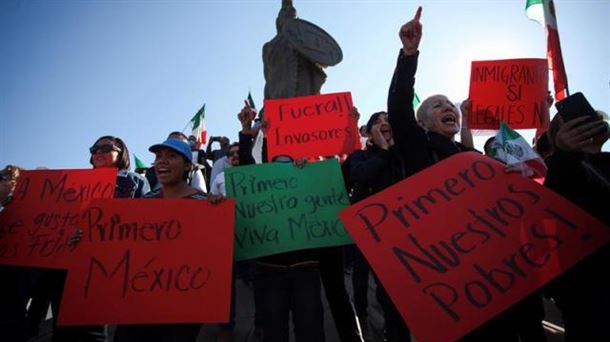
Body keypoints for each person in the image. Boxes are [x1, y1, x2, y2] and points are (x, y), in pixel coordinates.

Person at [50, 136, 150, 342]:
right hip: (73, 259)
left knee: (95, 327)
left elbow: (147, 216)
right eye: (94, 149)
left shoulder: (135, 181)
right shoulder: (75, 184)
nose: (98, 152)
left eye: (105, 147)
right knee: (63, 327)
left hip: (111, 262)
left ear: (121, 152)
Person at [112, 138, 205, 342]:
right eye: (158, 156)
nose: (162, 161)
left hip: (183, 306)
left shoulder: (205, 205)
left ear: (188, 165)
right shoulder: (144, 204)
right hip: (140, 302)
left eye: (171, 156)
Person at [544, 113, 610, 341]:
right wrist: (565, 155)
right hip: (588, 287)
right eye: (578, 118)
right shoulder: (552, 168)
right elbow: (558, 192)